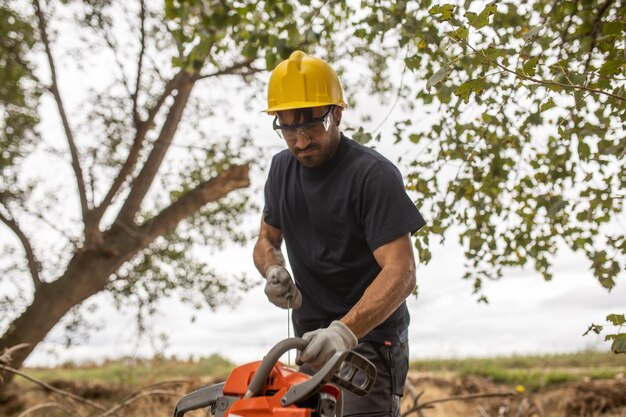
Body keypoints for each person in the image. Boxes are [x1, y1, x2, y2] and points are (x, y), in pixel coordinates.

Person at [253, 50, 425, 416]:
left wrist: (343, 332)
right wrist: (273, 270)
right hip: (312, 344)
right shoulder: (281, 169)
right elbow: (266, 240)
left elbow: (402, 271)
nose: (299, 141)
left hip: (370, 344)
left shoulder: (371, 175)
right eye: (287, 128)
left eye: (311, 126)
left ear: (337, 113)